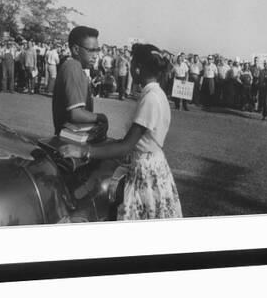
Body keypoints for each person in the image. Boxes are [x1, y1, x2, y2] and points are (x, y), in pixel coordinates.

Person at [59, 43, 182, 220]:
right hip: (149, 163)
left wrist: (83, 151)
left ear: (137, 69)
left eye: (131, 64)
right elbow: (136, 140)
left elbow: (126, 146)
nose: (130, 68)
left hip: (146, 170)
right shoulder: (155, 93)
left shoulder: (151, 98)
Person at [52, 26, 109, 136]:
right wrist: (101, 117)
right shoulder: (73, 66)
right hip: (70, 141)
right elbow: (75, 114)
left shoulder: (76, 68)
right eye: (91, 50)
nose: (95, 55)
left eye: (97, 50)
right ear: (76, 49)